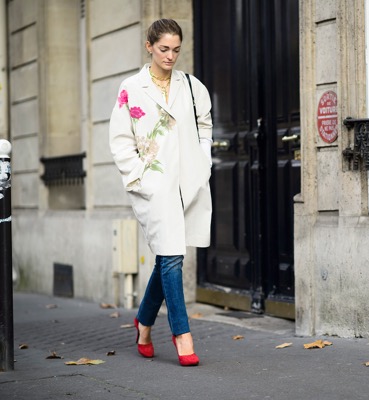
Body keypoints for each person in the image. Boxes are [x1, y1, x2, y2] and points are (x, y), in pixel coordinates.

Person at [108, 19, 213, 367]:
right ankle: (182, 334)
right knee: (172, 258)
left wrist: (205, 161)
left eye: (176, 50)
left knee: (167, 254)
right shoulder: (131, 88)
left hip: (186, 183)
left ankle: (143, 323)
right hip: (152, 185)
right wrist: (139, 176)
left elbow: (204, 125)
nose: (170, 56)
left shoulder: (191, 85)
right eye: (164, 49)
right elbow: (120, 140)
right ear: (149, 46)